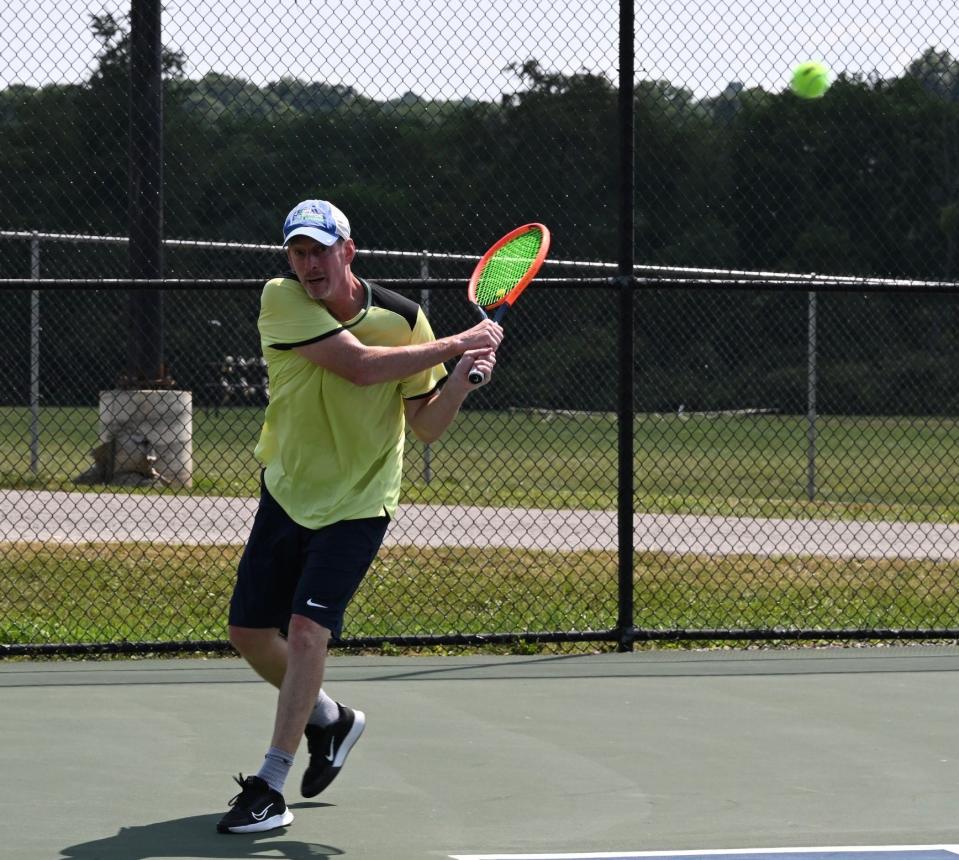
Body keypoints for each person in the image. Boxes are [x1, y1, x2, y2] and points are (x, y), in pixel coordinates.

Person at [216, 199, 503, 834]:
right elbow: (359, 366)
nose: (309, 263)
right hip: (289, 489)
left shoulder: (405, 320)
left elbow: (425, 426)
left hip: (359, 503)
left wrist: (458, 380)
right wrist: (460, 340)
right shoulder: (282, 299)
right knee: (250, 634)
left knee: (307, 630)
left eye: (320, 249)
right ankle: (332, 720)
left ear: (349, 250)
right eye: (298, 251)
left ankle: (269, 785)